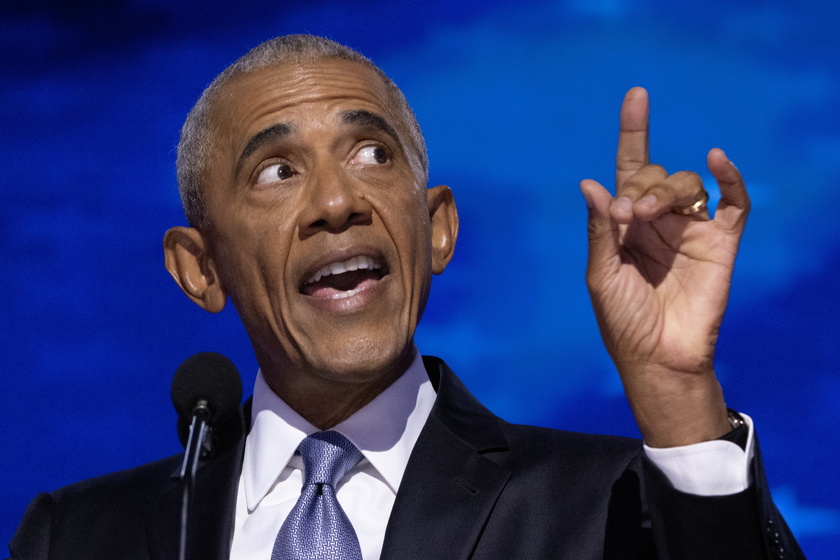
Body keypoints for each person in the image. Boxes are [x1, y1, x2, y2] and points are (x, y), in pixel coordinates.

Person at [7, 34, 802, 559]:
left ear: (437, 232)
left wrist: (677, 395)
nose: (337, 202)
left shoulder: (609, 506)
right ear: (199, 269)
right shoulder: (79, 536)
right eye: (278, 171)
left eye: (371, 153)